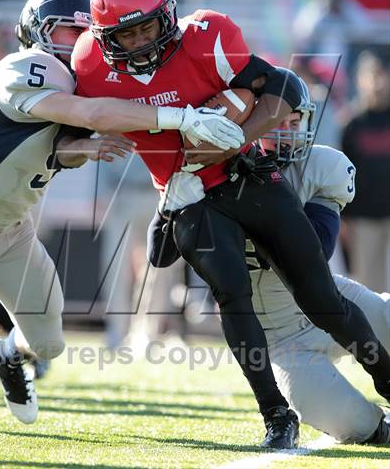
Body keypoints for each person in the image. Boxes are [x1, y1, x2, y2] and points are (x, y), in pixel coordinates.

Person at [72, 0, 390, 448]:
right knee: (230, 296)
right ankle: (275, 416)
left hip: (245, 176)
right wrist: (160, 191)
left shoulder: (204, 39)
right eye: (126, 34)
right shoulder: (91, 68)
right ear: (103, 38)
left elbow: (285, 87)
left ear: (167, 15)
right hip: (189, 196)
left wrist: (236, 137)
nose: (138, 42)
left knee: (323, 297)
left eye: (147, 28)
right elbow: (158, 253)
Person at [0, 0, 244, 428]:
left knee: (48, 343)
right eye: (64, 33)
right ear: (35, 33)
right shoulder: (26, 67)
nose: (73, 46)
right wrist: (179, 116)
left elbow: (52, 148)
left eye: (83, 35)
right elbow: (92, 115)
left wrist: (84, 149)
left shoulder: (70, 89)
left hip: (8, 230)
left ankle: (5, 353)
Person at [149, 94, 390, 445]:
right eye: (277, 124)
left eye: (295, 124)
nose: (287, 134)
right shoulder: (203, 177)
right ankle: (379, 427)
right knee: (353, 423)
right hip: (279, 338)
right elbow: (160, 255)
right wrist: (169, 206)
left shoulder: (320, 167)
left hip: (333, 303)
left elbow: (317, 249)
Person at [341, 51, 390, 293]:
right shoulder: (351, 123)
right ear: (360, 79)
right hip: (363, 219)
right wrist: (343, 220)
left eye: (383, 75)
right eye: (372, 76)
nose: (378, 83)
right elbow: (341, 175)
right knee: (370, 289)